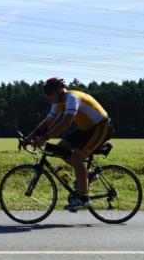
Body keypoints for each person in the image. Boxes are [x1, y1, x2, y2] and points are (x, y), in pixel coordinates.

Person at [25, 78, 112, 212]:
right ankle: (88, 175)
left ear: (59, 91)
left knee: (77, 158)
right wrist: (29, 137)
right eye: (47, 94)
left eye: (50, 93)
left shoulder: (71, 98)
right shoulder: (58, 103)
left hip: (101, 126)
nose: (48, 97)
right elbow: (48, 122)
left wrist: (44, 137)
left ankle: (84, 198)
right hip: (86, 128)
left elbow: (66, 123)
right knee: (60, 149)